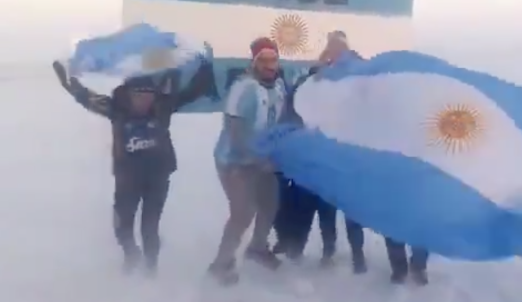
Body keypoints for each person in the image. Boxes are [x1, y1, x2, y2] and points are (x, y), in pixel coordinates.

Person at [52, 57, 216, 276]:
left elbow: (193, 91)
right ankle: (131, 255)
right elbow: (87, 98)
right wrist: (68, 83)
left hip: (157, 178)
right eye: (138, 95)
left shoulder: (162, 106)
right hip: (127, 179)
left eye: (148, 95)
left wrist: (206, 67)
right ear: (128, 94)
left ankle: (151, 269)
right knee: (121, 227)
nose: (144, 101)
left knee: (150, 227)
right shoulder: (114, 107)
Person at [271, 33, 368, 274]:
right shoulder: (314, 79)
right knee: (324, 207)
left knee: (352, 211)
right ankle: (327, 250)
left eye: (340, 49)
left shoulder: (357, 82)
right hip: (320, 158)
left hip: (349, 158)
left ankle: (357, 255)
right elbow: (294, 109)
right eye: (332, 49)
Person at [207, 37, 289, 286]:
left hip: (263, 159)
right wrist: (255, 158)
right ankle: (221, 263)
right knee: (243, 212)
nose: (269, 65)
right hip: (235, 161)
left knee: (270, 203)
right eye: (263, 60)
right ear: (254, 62)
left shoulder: (279, 86)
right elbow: (235, 131)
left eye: (273, 60)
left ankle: (257, 248)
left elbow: (280, 122)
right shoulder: (243, 87)